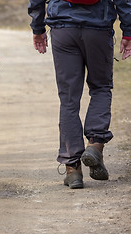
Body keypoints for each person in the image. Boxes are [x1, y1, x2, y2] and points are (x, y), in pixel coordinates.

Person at [28, 0, 131, 189]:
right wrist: (128, 30)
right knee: (100, 88)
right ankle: (95, 145)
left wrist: (37, 27)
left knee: (68, 99)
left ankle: (73, 169)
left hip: (63, 28)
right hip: (98, 28)